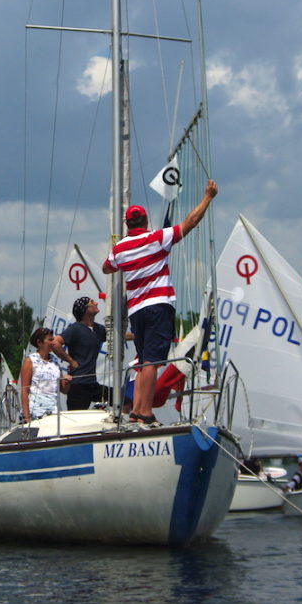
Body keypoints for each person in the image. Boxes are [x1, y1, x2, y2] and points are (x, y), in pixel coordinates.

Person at [103, 179, 218, 424]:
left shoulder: (119, 249)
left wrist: (124, 254)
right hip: (158, 305)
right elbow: (190, 222)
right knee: (153, 361)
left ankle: (137, 409)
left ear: (127, 224)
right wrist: (207, 197)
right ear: (145, 221)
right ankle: (142, 411)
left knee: (145, 359)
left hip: (136, 310)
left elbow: (106, 267)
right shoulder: (157, 238)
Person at [54, 296, 108, 410]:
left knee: (125, 400)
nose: (96, 303)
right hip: (78, 384)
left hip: (93, 384)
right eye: (92, 302)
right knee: (76, 420)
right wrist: (71, 361)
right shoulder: (75, 329)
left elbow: (118, 335)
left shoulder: (98, 329)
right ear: (84, 309)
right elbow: (55, 344)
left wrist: (139, 334)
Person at [20, 327, 71, 423]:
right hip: (36, 413)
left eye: (53, 340)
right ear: (39, 342)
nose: (53, 343)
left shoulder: (55, 361)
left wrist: (67, 381)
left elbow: (63, 390)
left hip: (55, 413)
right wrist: (26, 417)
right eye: (50, 340)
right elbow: (24, 390)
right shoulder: (30, 361)